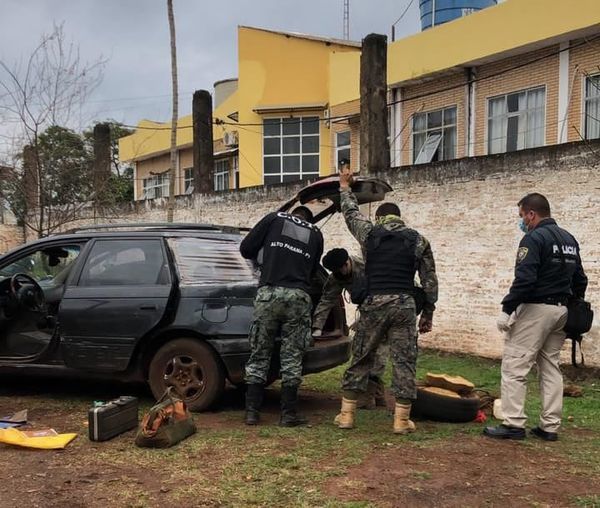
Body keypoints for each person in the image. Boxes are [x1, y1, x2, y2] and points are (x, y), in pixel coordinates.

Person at [334, 165, 438, 434]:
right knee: (404, 361)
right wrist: (428, 313)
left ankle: (346, 416)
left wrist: (345, 187)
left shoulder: (369, 234)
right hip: (404, 305)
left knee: (361, 356)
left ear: (379, 217)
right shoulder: (418, 240)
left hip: (374, 303)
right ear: (399, 218)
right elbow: (429, 281)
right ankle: (402, 421)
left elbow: (350, 213)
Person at [484, 193, 588, 441]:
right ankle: (550, 426)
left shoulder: (533, 238)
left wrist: (507, 308)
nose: (522, 221)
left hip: (536, 310)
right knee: (550, 367)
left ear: (531, 214)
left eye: (522, 216)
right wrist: (571, 302)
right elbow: (580, 279)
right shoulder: (569, 239)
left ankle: (513, 423)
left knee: (514, 366)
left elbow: (525, 279)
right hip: (562, 312)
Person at [240, 205, 323, 427]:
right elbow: (314, 272)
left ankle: (252, 412)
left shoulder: (275, 218)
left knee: (259, 352)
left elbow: (246, 249)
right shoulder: (316, 233)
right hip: (298, 296)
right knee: (292, 356)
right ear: (308, 219)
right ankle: (288, 414)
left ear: (293, 213)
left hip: (269, 293)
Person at [312, 248, 387, 409]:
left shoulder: (368, 266)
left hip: (386, 309)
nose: (339, 273)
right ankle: (377, 394)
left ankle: (369, 396)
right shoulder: (337, 276)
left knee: (378, 351)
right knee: (362, 351)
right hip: (367, 311)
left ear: (347, 263)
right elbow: (327, 299)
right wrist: (317, 326)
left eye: (341, 269)